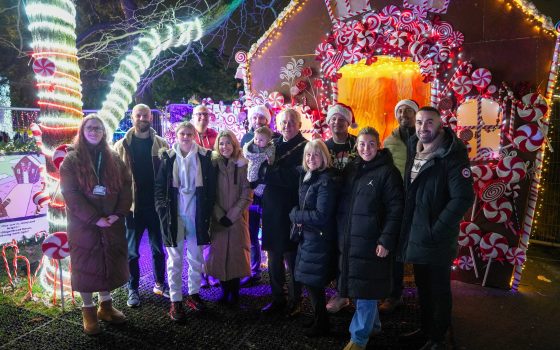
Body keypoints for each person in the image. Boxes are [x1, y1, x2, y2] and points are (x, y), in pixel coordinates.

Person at [397, 106, 474, 350]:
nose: (422, 127)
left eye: (429, 122)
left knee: (439, 289)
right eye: (419, 122)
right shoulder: (414, 147)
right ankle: (426, 329)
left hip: (437, 238)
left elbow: (462, 198)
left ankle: (438, 338)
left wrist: (436, 229)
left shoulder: (452, 155)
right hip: (417, 233)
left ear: (440, 125)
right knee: (422, 286)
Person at [60, 114, 132, 335]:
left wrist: (118, 214)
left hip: (111, 222)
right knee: (86, 265)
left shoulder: (113, 157)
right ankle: (89, 311)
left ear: (104, 132)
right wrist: (94, 218)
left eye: (98, 128)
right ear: (82, 131)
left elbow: (126, 186)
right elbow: (70, 194)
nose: (94, 131)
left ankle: (106, 306)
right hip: (84, 225)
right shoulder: (71, 161)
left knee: (107, 263)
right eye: (90, 128)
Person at [337, 127, 404, 350]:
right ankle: (372, 326)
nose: (366, 148)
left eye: (371, 144)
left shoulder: (388, 173)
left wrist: (386, 240)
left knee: (366, 288)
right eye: (362, 144)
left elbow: (396, 210)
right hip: (351, 240)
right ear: (357, 146)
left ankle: (358, 338)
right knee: (364, 287)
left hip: (372, 241)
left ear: (379, 146)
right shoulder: (352, 169)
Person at [154, 121, 216, 321]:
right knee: (175, 259)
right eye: (183, 134)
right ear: (177, 135)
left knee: (196, 257)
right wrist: (162, 209)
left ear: (194, 135)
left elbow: (212, 188)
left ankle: (194, 294)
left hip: (196, 214)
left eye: (190, 133)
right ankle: (176, 300)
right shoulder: (167, 157)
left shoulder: (205, 157)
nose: (186, 137)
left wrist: (207, 209)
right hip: (174, 214)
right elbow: (159, 187)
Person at [114, 104, 168, 308]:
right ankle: (133, 288)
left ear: (150, 118)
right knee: (132, 252)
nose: (143, 118)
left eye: (146, 115)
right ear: (132, 117)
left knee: (158, 249)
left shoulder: (161, 144)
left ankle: (160, 283)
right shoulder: (121, 146)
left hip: (156, 207)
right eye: (139, 115)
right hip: (132, 208)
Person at [260, 108, 307, 316]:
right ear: (278, 125)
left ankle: (296, 300)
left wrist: (271, 173)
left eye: (291, 121)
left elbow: (295, 179)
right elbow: (259, 171)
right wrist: (272, 174)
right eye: (283, 122)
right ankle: (278, 297)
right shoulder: (272, 144)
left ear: (298, 124)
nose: (287, 125)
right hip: (271, 208)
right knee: (273, 257)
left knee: (292, 258)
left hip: (291, 209)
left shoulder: (306, 147)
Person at [289, 139, 337, 337]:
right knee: (310, 280)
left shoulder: (325, 180)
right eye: (308, 155)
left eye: (316, 154)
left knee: (314, 282)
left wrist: (296, 215)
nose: (311, 158)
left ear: (324, 157)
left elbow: (321, 215)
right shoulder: (309, 176)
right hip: (309, 237)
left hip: (318, 237)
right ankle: (319, 318)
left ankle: (322, 323)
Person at [379, 99, 419, 314]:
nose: (404, 114)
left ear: (416, 114)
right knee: (393, 248)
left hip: (420, 201)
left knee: (419, 247)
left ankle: (426, 294)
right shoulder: (389, 141)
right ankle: (394, 294)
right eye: (400, 111)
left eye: (408, 111)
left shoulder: (425, 137)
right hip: (396, 201)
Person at [206, 130, 253, 306]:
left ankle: (235, 293)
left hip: (237, 218)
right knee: (219, 256)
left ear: (234, 145)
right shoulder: (212, 165)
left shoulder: (243, 166)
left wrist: (232, 216)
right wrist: (219, 215)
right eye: (221, 143)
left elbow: (247, 194)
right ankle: (224, 292)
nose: (225, 147)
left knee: (236, 256)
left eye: (228, 143)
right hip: (218, 219)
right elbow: (210, 194)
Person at [240, 105, 279, 286]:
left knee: (271, 229)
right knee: (251, 230)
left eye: (261, 118)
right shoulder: (246, 140)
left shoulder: (274, 141)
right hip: (251, 191)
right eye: (254, 118)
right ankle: (253, 269)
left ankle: (274, 270)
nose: (257, 121)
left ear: (266, 120)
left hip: (268, 190)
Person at [323, 103, 357, 314]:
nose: (337, 122)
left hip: (352, 205)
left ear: (348, 122)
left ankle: (346, 292)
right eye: (333, 118)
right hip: (329, 206)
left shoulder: (357, 144)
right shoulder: (323, 146)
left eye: (341, 119)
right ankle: (340, 290)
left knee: (348, 249)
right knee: (333, 248)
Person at [191, 104, 219, 287]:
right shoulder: (187, 134)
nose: (202, 117)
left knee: (212, 232)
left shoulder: (215, 136)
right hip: (193, 192)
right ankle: (199, 272)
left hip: (212, 189)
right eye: (199, 114)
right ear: (193, 117)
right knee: (196, 234)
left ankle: (211, 271)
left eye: (205, 114)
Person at [243, 126, 275, 197]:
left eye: (261, 140)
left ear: (268, 140)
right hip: (253, 167)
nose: (257, 141)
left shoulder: (270, 148)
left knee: (261, 182)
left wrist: (269, 160)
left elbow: (271, 158)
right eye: (256, 139)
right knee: (252, 177)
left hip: (263, 173)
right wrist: (260, 156)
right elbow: (247, 153)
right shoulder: (252, 146)